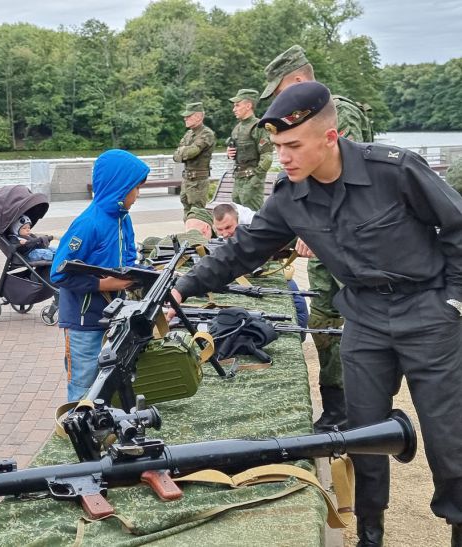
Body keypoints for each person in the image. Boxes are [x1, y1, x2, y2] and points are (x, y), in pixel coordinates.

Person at [169, 81, 462, 547]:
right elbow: (242, 250)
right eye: (276, 146)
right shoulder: (290, 196)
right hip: (363, 318)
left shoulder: (394, 170)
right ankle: (370, 533)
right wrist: (182, 287)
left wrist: (454, 300)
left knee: (451, 439)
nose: (281, 157)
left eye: (292, 145)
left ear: (330, 137)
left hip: (427, 312)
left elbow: (457, 226)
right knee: (365, 435)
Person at [260, 44, 375, 433]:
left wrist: (316, 226)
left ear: (296, 79)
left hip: (351, 242)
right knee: (326, 321)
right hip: (326, 240)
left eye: (278, 90)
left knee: (355, 320)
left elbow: (348, 178)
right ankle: (336, 409)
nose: (278, 99)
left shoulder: (338, 112)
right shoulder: (300, 117)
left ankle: (358, 411)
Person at [50, 149, 149, 401]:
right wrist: (102, 283)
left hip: (113, 317)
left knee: (108, 379)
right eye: (135, 189)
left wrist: (142, 277)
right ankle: (77, 428)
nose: (137, 196)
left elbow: (128, 259)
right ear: (119, 187)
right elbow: (58, 273)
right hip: (83, 322)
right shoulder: (88, 224)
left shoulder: (123, 219)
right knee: (83, 382)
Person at [211, 202, 309, 329]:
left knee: (297, 302)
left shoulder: (254, 224)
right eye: (220, 230)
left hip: (273, 257)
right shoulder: (221, 224)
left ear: (238, 220)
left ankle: (299, 331)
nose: (224, 234)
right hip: (241, 277)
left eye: (229, 227)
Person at [226, 89, 274, 211]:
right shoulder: (237, 129)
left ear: (248, 106)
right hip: (238, 180)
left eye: (237, 105)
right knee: (239, 218)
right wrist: (230, 153)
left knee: (253, 219)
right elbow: (237, 152)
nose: (234, 109)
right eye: (234, 106)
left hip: (252, 181)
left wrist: (255, 180)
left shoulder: (259, 127)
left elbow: (267, 157)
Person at [173, 102, 216, 220]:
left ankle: (198, 237)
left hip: (198, 181)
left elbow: (192, 152)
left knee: (197, 214)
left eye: (188, 116)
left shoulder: (206, 133)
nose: (185, 118)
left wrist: (182, 151)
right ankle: (189, 235)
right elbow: (175, 156)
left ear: (198, 116)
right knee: (186, 211)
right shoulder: (189, 134)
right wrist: (183, 152)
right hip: (187, 179)